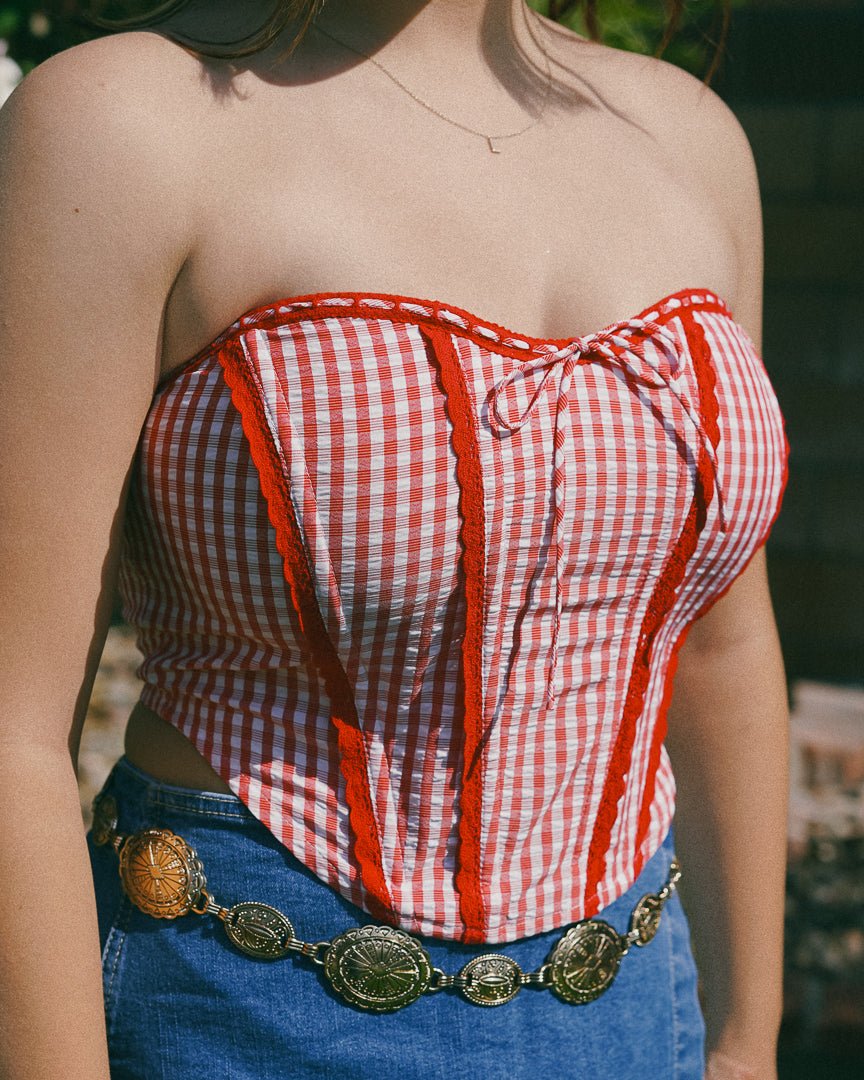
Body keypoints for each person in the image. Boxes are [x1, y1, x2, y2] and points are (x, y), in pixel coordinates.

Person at [0, 1, 790, 1077]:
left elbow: (718, 641)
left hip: (638, 1010)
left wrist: (747, 1042)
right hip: (246, 1007)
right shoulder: (120, 122)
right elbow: (12, 727)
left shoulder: (688, 134)